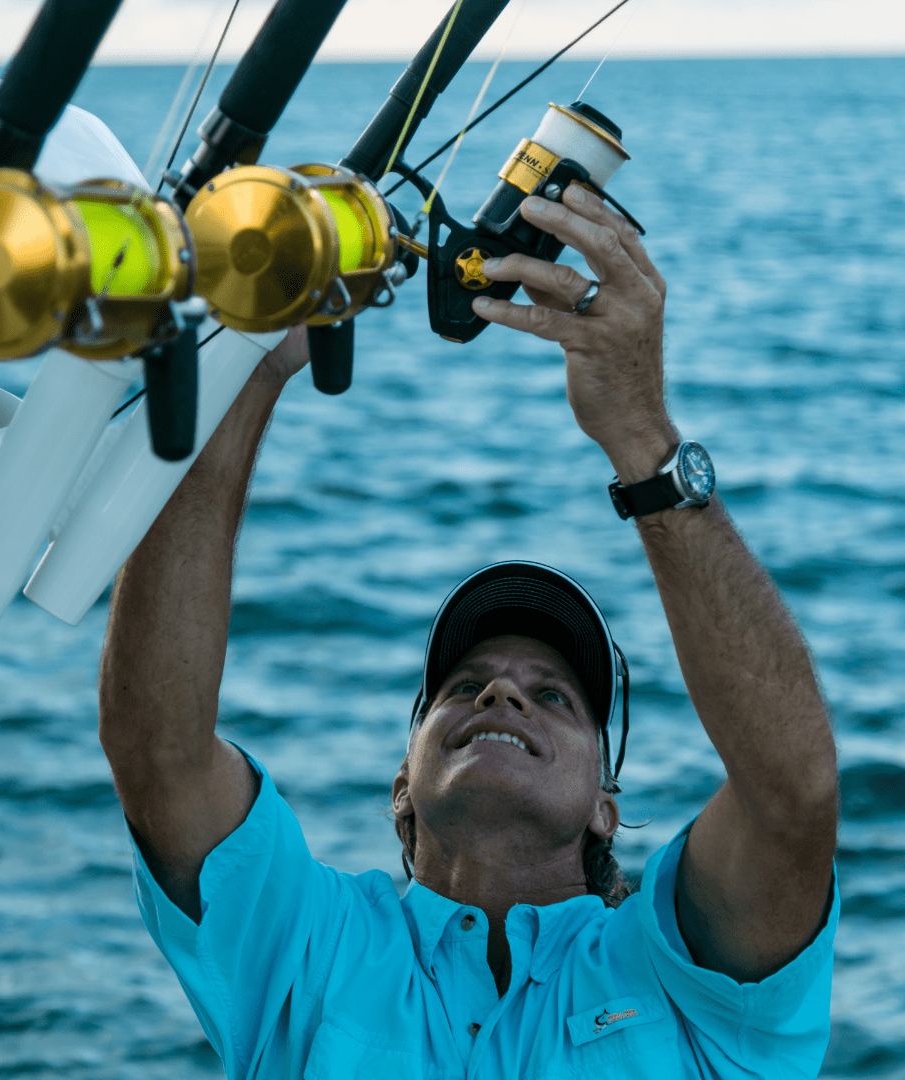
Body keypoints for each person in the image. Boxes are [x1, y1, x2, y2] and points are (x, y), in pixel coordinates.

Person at [98, 187, 839, 1078]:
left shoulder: (686, 976)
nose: (500, 692)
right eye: (462, 688)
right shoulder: (305, 946)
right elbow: (158, 749)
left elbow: (791, 796)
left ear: (607, 805)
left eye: (554, 695)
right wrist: (250, 360)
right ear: (404, 782)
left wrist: (641, 432)